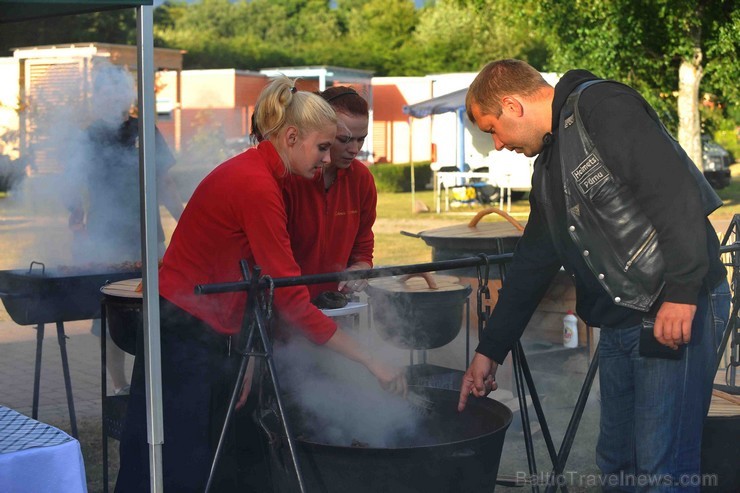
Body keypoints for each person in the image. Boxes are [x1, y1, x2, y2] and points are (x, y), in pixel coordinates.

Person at [115, 76, 406, 493]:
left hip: (212, 322)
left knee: (210, 448)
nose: (330, 159)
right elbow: (288, 294)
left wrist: (249, 354)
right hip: (179, 323)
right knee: (170, 452)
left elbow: (257, 282)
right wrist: (370, 359)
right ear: (291, 137)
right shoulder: (256, 185)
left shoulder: (272, 177)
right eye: (324, 147)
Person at [457, 59, 730, 491]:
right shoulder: (548, 167)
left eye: (493, 128)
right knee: (617, 464)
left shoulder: (603, 106)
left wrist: (681, 293)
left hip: (671, 305)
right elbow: (533, 261)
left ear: (512, 105)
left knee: (662, 469)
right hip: (622, 321)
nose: (496, 144)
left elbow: (675, 195)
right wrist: (489, 349)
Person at [67, 64, 183, 396]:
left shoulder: (145, 131)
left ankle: (154, 383)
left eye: (118, 90)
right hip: (106, 238)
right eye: (105, 90)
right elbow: (72, 186)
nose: (112, 96)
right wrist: (76, 227)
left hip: (148, 237)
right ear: (97, 96)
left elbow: (165, 181)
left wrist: (185, 220)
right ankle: (119, 385)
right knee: (109, 319)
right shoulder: (87, 137)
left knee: (157, 311)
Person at [282, 86, 376, 300]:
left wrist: (360, 267)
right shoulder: (289, 178)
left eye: (361, 139)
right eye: (344, 139)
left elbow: (363, 245)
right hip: (286, 305)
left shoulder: (361, 179)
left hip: (337, 301)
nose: (355, 149)